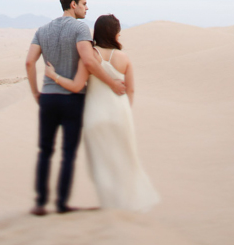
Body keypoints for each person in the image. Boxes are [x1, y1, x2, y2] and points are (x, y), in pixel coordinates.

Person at [44, 13, 159, 212]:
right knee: (125, 161)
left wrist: (54, 76)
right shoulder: (124, 58)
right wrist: (125, 111)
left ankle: (110, 206)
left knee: (101, 166)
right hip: (120, 115)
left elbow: (76, 85)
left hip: (95, 117)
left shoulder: (90, 57)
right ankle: (125, 207)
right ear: (115, 33)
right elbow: (130, 90)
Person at [25, 0, 126, 215]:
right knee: (68, 153)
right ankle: (61, 204)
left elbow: (29, 63)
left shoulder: (42, 30)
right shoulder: (80, 28)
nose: (87, 8)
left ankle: (40, 203)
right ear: (73, 5)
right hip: (72, 99)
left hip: (48, 98)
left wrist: (36, 93)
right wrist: (111, 83)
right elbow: (89, 61)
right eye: (84, 3)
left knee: (45, 151)